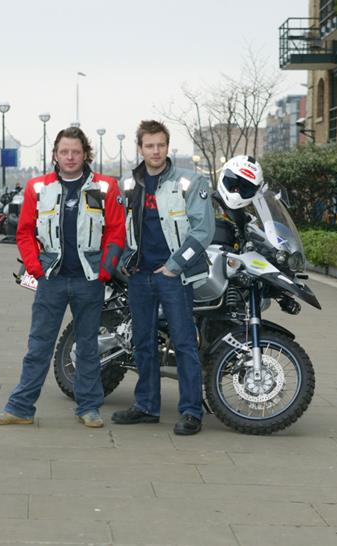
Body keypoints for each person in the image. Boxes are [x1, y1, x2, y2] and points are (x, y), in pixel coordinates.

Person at [0, 127, 125, 428]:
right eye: (64, 151)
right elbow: (24, 232)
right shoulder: (38, 187)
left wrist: (104, 268)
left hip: (90, 280)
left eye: (76, 151)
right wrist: (35, 267)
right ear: (55, 155)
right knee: (39, 345)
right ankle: (20, 408)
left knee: (87, 346)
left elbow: (116, 231)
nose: (70, 157)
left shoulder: (105, 186)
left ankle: (88, 408)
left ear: (85, 153)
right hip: (51, 280)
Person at [112, 120, 214, 435]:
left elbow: (203, 230)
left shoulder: (190, 182)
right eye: (149, 145)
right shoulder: (126, 184)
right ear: (140, 148)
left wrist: (174, 266)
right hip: (140, 276)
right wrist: (122, 262)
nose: (155, 151)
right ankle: (146, 406)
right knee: (143, 343)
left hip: (174, 277)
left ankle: (191, 412)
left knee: (184, 343)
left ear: (167, 147)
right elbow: (117, 228)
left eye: (160, 145)